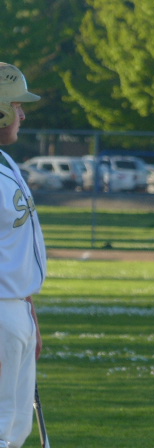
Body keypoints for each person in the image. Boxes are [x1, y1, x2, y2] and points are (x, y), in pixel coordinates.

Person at [0, 62, 47, 448]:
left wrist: (28, 310)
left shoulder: (6, 161)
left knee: (16, 428)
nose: (22, 114)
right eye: (16, 106)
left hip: (15, 309)